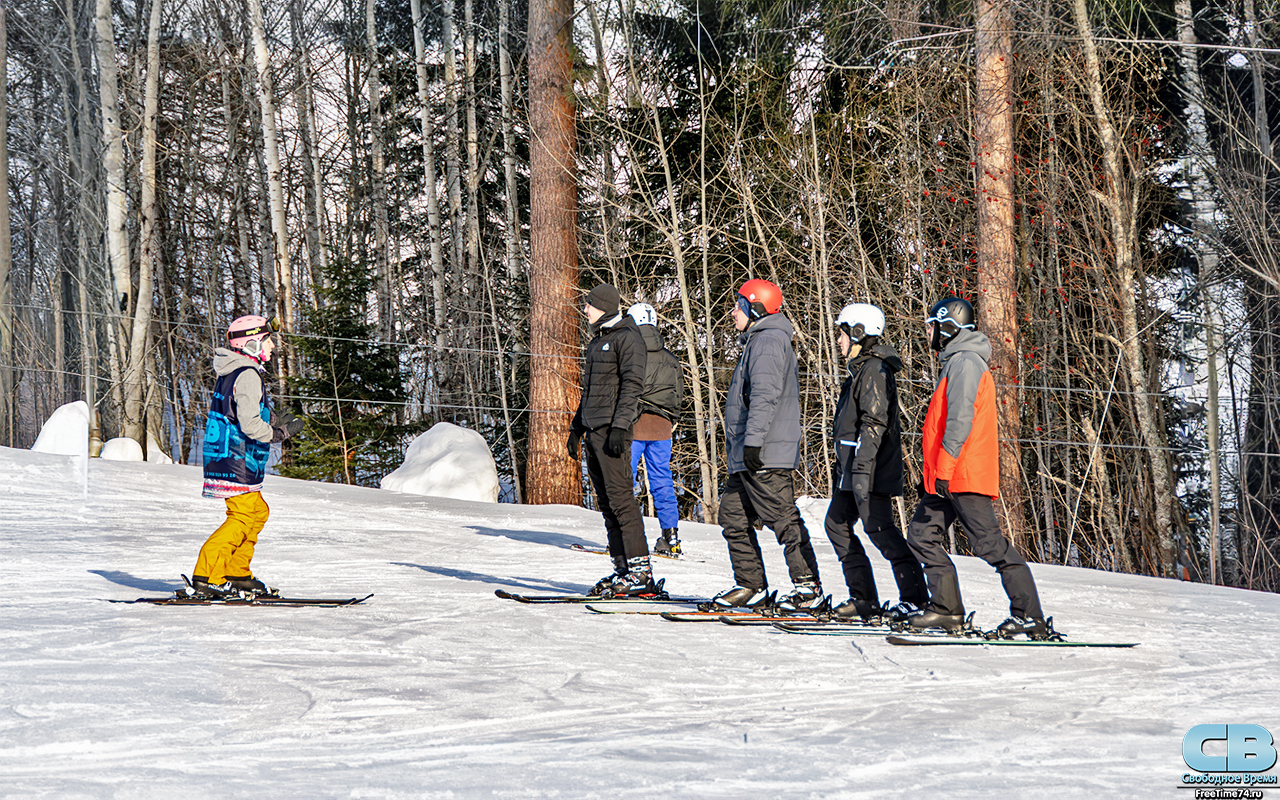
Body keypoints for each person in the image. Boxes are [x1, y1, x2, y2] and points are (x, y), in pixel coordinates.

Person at [905, 297, 1051, 639]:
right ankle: (946, 611)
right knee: (921, 536)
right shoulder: (956, 361)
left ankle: (1030, 616)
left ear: (948, 327)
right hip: (948, 475)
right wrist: (932, 475)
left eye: (932, 326)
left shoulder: (966, 363)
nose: (929, 333)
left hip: (963, 474)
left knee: (990, 545)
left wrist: (943, 470)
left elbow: (959, 421)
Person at [702, 279, 822, 612]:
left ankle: (808, 589)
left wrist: (753, 443)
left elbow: (764, 396)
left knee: (783, 519)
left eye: (739, 306)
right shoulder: (759, 339)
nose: (733, 312)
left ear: (755, 309)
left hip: (764, 452)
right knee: (733, 516)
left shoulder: (768, 341)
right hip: (749, 452)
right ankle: (751, 585)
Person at [823, 303, 928, 622]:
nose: (839, 340)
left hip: (868, 470)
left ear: (858, 332)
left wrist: (861, 470)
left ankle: (916, 599)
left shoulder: (873, 370)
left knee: (880, 530)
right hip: (854, 470)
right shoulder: (861, 369)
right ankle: (864, 599)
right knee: (836, 524)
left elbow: (874, 423)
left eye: (843, 332)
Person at [193, 314, 302, 597]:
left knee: (257, 511)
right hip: (236, 458)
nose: (272, 347)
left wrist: (273, 419)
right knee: (243, 516)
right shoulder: (248, 374)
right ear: (251, 343)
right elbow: (250, 424)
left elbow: (239, 408)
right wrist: (279, 433)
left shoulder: (234, 371)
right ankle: (207, 576)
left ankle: (236, 571)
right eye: (267, 340)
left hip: (232, 457)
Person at [566, 284, 655, 596]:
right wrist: (576, 427)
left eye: (589, 305)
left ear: (603, 306)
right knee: (606, 504)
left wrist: (620, 426)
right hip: (594, 431)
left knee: (621, 501)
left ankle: (641, 572)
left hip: (612, 433)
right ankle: (623, 569)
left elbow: (633, 386)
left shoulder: (628, 338)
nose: (585, 310)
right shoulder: (598, 340)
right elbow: (592, 393)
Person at [626, 302, 684, 556]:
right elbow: (678, 394)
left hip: (632, 427)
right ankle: (671, 536)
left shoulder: (629, 354)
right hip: (662, 429)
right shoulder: (671, 359)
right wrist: (671, 419)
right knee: (662, 479)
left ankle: (625, 537)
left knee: (624, 481)